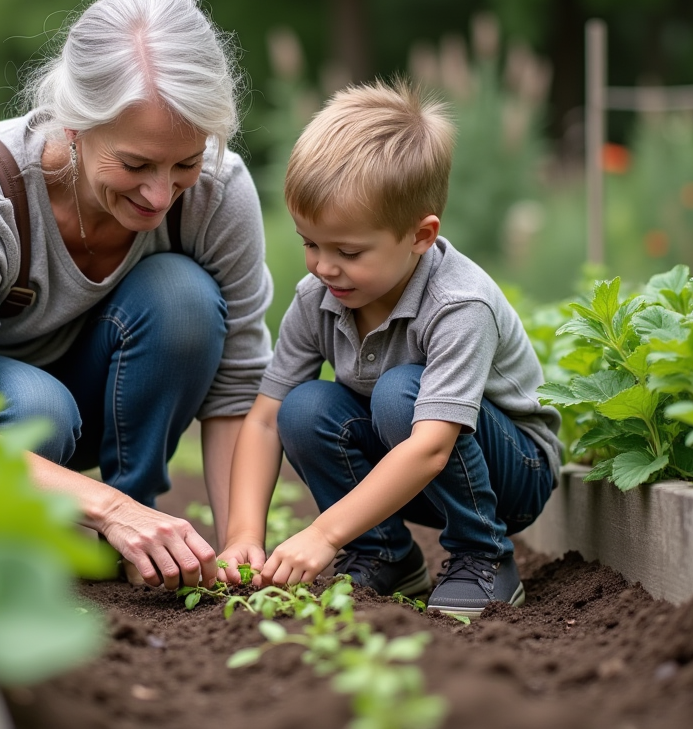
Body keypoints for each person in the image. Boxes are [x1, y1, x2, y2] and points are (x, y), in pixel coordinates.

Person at [0, 0, 273, 591]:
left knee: (184, 298)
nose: (159, 193)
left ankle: (133, 543)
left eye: (184, 162)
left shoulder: (218, 191)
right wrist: (111, 508)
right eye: (134, 164)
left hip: (60, 391)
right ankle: (40, 529)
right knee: (39, 411)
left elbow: (238, 385)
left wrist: (240, 545)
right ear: (74, 124)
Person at [217, 80, 561, 618]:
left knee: (403, 391)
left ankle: (484, 555)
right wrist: (242, 534)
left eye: (348, 251)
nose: (324, 266)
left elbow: (431, 447)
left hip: (510, 473)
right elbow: (265, 420)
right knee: (304, 406)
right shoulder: (319, 298)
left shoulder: (457, 304)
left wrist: (324, 534)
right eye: (310, 243)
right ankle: (383, 554)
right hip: (412, 466)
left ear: (421, 236)